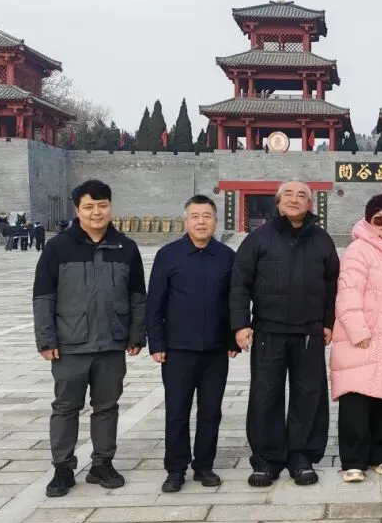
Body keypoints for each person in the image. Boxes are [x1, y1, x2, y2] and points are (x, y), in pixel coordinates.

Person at [33, 179, 147, 498]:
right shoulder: (58, 248)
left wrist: (136, 334)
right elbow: (43, 296)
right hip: (70, 345)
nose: (97, 212)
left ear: (110, 207)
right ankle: (63, 469)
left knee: (107, 406)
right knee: (65, 408)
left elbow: (138, 296)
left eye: (102, 205)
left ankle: (102, 464)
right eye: (89, 207)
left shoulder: (126, 248)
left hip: (111, 343)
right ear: (77, 210)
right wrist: (46, 339)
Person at [230, 181, 340, 487]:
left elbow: (332, 285)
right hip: (268, 330)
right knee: (265, 395)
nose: (294, 199)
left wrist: (328, 322)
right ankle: (266, 460)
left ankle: (302, 457)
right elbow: (239, 283)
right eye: (287, 195)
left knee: (309, 395)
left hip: (309, 332)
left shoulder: (322, 240)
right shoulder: (258, 238)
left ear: (310, 204)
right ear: (277, 203)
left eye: (301, 195)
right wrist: (241, 324)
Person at [146, 195, 239, 493]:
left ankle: (204, 465)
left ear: (215, 221)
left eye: (207, 216)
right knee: (177, 410)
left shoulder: (226, 256)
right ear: (186, 221)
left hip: (215, 350)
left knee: (211, 411)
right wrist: (156, 343)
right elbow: (154, 302)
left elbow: (234, 301)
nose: (201, 222)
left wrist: (232, 339)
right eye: (195, 216)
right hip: (177, 350)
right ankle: (175, 469)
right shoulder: (168, 255)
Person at [330, 195, 382, 483]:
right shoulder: (358, 250)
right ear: (368, 220)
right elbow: (347, 293)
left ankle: (381, 454)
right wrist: (358, 331)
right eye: (379, 219)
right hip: (362, 338)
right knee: (357, 400)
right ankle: (353, 460)